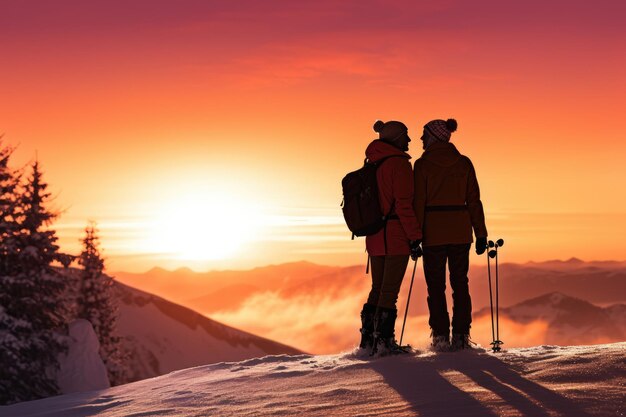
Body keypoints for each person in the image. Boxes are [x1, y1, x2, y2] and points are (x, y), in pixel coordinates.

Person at [413, 118, 488, 350]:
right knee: (460, 283)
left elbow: (418, 202)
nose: (421, 139)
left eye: (424, 135)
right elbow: (474, 200)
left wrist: (414, 237)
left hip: (432, 233)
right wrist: (481, 233)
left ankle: (440, 336)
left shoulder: (422, 166)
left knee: (435, 286)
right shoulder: (464, 163)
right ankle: (462, 334)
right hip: (460, 232)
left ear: (434, 137)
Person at [359, 120, 422, 354]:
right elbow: (404, 205)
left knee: (377, 288)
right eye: (405, 136)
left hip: (374, 235)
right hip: (395, 235)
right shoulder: (399, 165)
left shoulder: (372, 162)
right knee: (389, 292)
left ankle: (368, 342)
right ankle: (384, 343)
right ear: (396, 138)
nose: (409, 140)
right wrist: (415, 237)